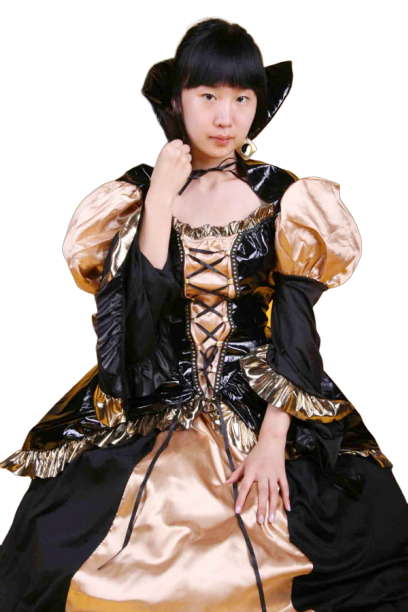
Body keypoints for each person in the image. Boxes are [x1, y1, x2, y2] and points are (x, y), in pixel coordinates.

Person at [1, 15, 407, 612]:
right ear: (177, 100)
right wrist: (160, 199)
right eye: (208, 95)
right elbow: (139, 327)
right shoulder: (139, 194)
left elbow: (296, 329)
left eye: (242, 98)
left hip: (262, 398)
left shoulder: (283, 196)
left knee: (370, 521)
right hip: (156, 395)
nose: (226, 117)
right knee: (55, 540)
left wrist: (273, 441)